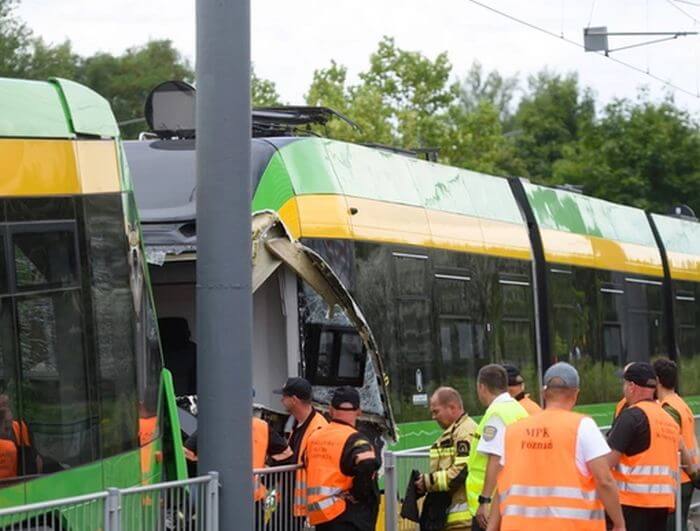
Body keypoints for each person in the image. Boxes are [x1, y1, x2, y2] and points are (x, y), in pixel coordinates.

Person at [487, 362, 626, 531]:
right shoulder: (582, 426)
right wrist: (619, 523)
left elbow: (501, 487)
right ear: (576, 394)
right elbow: (604, 480)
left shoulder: (513, 431)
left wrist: (491, 528)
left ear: (543, 393)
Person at [607, 362, 686, 531]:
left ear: (632, 386)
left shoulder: (631, 416)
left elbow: (607, 461)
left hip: (631, 503)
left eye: (624, 384)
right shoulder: (667, 420)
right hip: (662, 505)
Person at [304, 386, 380, 530]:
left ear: (331, 409)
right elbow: (368, 463)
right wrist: (358, 494)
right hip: (346, 515)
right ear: (359, 411)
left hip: (321, 515)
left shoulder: (314, 437)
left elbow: (306, 461)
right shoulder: (355, 439)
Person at [466, 364, 528, 531]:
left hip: (492, 506)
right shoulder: (517, 409)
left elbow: (496, 459)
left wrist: (484, 501)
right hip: (512, 498)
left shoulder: (496, 414)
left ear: (482, 387)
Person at [414, 387, 477, 529]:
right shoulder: (454, 432)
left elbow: (461, 472)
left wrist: (428, 482)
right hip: (451, 518)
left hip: (464, 521)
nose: (433, 417)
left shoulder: (465, 432)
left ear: (452, 408)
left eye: (436, 411)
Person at [653, 357, 699, 531]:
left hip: (678, 478)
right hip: (687, 478)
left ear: (657, 380)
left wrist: (693, 472)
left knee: (673, 527)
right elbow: (692, 438)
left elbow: (677, 443)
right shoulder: (681, 404)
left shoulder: (667, 409)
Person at [274, 377, 328, 519]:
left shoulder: (318, 428)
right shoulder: (298, 424)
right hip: (291, 502)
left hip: (305, 507)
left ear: (294, 399)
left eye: (284, 396)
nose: (281, 400)